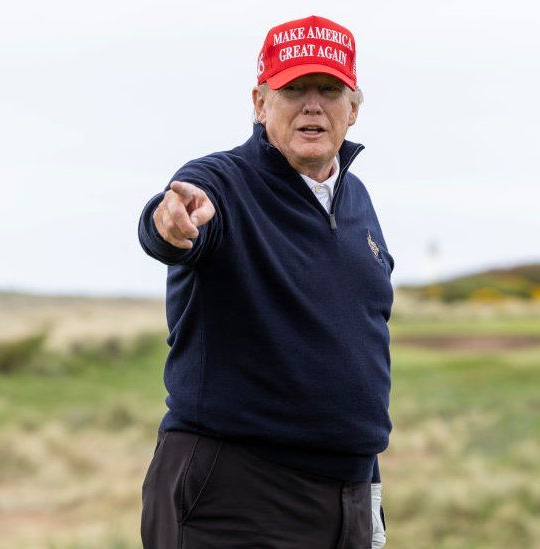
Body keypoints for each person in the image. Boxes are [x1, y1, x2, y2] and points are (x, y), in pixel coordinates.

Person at [137, 14, 394, 548]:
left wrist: (365, 492)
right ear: (260, 102)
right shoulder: (222, 184)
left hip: (347, 495)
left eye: (328, 89)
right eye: (293, 89)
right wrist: (171, 220)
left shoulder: (358, 200)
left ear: (353, 108)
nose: (312, 105)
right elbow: (175, 220)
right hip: (234, 494)